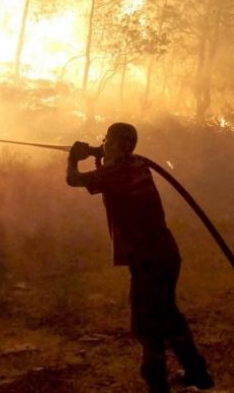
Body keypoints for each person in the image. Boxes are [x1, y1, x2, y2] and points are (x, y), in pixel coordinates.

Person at [66, 123, 214, 393]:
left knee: (146, 325)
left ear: (120, 145)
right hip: (165, 253)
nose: (104, 143)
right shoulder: (137, 165)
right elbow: (110, 179)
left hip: (147, 259)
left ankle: (158, 383)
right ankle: (197, 372)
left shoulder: (116, 172)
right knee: (168, 314)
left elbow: (74, 180)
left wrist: (73, 158)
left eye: (108, 140)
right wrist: (99, 155)